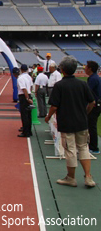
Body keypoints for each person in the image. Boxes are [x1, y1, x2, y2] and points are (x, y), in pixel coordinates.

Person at [45, 56, 96, 188]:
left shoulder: (59, 85)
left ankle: (71, 178)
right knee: (83, 148)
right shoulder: (83, 84)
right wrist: (85, 113)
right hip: (81, 122)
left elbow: (54, 106)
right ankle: (88, 177)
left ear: (62, 69)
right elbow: (92, 102)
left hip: (67, 122)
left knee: (70, 150)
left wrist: (48, 117)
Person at [85, 60, 101, 154]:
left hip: (94, 105)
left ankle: (94, 147)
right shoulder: (95, 77)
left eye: (86, 67)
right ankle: (91, 145)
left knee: (91, 125)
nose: (85, 68)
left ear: (90, 69)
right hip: (97, 104)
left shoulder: (92, 79)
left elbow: (88, 93)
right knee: (91, 125)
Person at [16, 64, 34, 137]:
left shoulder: (20, 78)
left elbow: (24, 89)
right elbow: (31, 87)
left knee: (24, 115)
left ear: (21, 69)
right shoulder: (29, 77)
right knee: (29, 115)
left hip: (24, 96)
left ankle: (25, 132)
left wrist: (27, 98)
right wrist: (30, 96)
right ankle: (29, 131)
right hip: (29, 94)